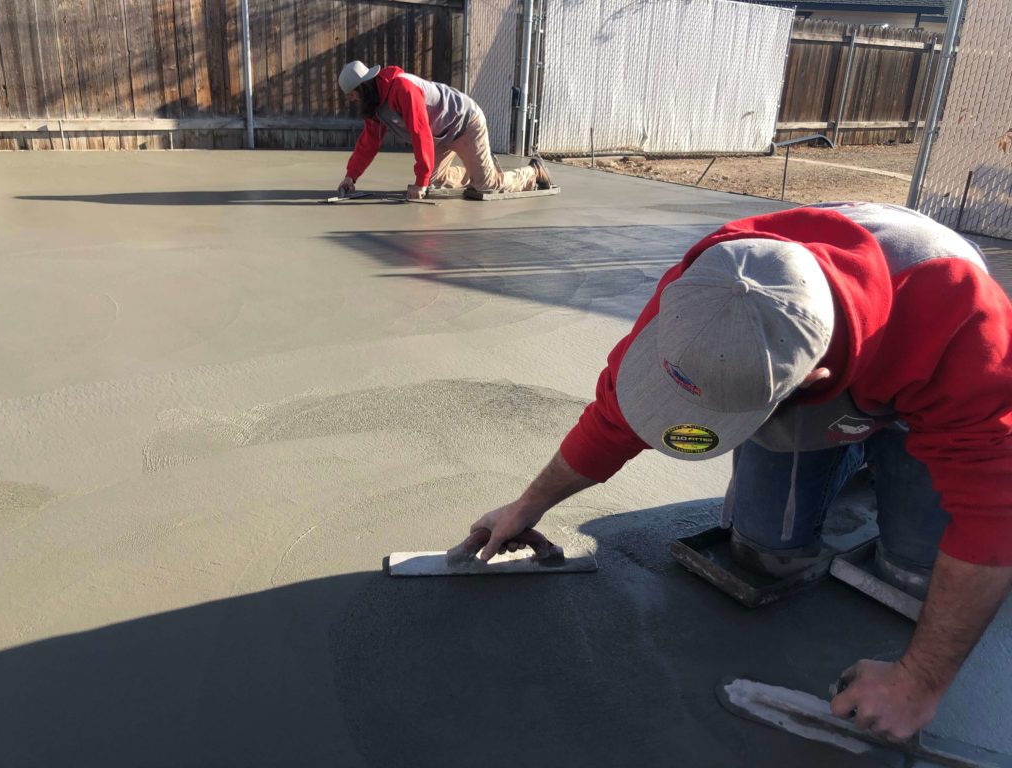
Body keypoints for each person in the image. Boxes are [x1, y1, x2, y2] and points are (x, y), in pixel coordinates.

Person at [469, 201, 1012, 740]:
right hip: (834, 374)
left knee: (913, 575)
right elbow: (615, 420)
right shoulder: (707, 292)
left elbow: (994, 517)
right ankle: (847, 445)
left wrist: (918, 681)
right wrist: (527, 505)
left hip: (920, 383)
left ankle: (876, 451)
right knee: (767, 554)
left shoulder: (960, 320)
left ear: (813, 378)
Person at [335, 61, 552, 200]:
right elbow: (369, 142)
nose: (351, 99)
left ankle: (533, 172)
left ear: (364, 87)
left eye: (352, 93)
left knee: (487, 186)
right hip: (440, 135)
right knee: (432, 183)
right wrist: (350, 177)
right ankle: (475, 168)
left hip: (465, 123)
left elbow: (421, 134)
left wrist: (419, 182)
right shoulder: (374, 105)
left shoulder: (402, 89)